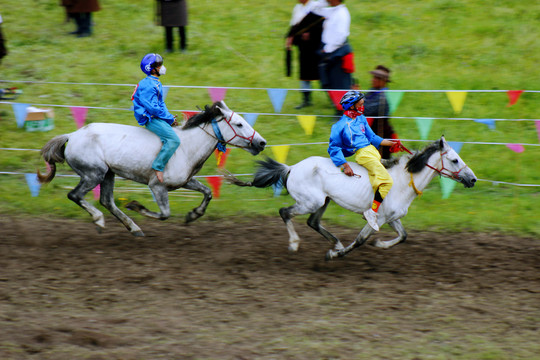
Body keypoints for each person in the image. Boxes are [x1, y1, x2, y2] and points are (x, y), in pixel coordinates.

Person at [328, 91, 399, 231]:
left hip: (373, 152)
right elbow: (333, 148)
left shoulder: (362, 119)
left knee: (376, 182)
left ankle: (374, 206)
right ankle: (371, 212)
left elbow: (373, 138)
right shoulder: (339, 126)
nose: (363, 106)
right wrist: (344, 165)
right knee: (387, 181)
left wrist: (392, 143)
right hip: (363, 155)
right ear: (352, 106)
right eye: (360, 104)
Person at [132, 53, 180, 183]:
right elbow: (153, 108)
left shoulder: (155, 82)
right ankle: (158, 167)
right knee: (174, 140)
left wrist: (169, 117)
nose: (162, 67)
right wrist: (168, 119)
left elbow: (161, 104)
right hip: (149, 118)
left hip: (156, 116)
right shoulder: (148, 85)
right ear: (153, 69)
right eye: (159, 65)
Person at [286, 0, 324, 109]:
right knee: (304, 74)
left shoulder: (316, 6)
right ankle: (306, 99)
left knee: (322, 74)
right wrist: (289, 37)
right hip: (303, 47)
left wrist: (311, 34)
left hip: (316, 46)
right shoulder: (297, 8)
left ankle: (334, 100)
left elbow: (321, 23)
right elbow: (295, 25)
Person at [311, 0, 353, 91]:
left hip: (337, 51)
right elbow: (313, 8)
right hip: (329, 50)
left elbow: (341, 36)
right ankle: (336, 103)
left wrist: (327, 49)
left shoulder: (343, 13)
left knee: (339, 81)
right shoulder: (332, 11)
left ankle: (342, 103)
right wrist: (325, 2)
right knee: (330, 79)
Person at [363, 65, 397, 159]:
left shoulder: (383, 96)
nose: (373, 80)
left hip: (381, 133)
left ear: (383, 81)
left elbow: (366, 110)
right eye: (373, 77)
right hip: (372, 131)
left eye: (376, 78)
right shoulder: (373, 92)